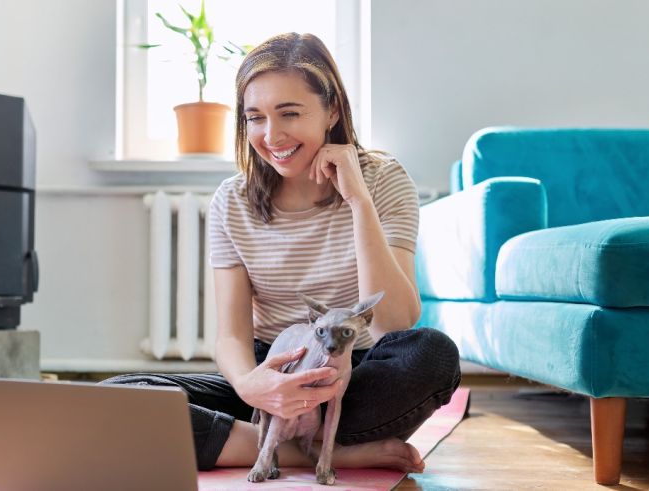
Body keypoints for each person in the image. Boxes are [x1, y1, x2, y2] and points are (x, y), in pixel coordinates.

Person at [103, 32, 461, 474]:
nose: (271, 135)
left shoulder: (384, 180)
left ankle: (261, 442)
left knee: (433, 354)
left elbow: (395, 322)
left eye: (289, 113)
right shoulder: (231, 200)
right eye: (255, 118)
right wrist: (254, 386)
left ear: (331, 110)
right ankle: (308, 450)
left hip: (350, 376)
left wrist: (359, 202)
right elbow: (232, 336)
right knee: (120, 394)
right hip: (272, 371)